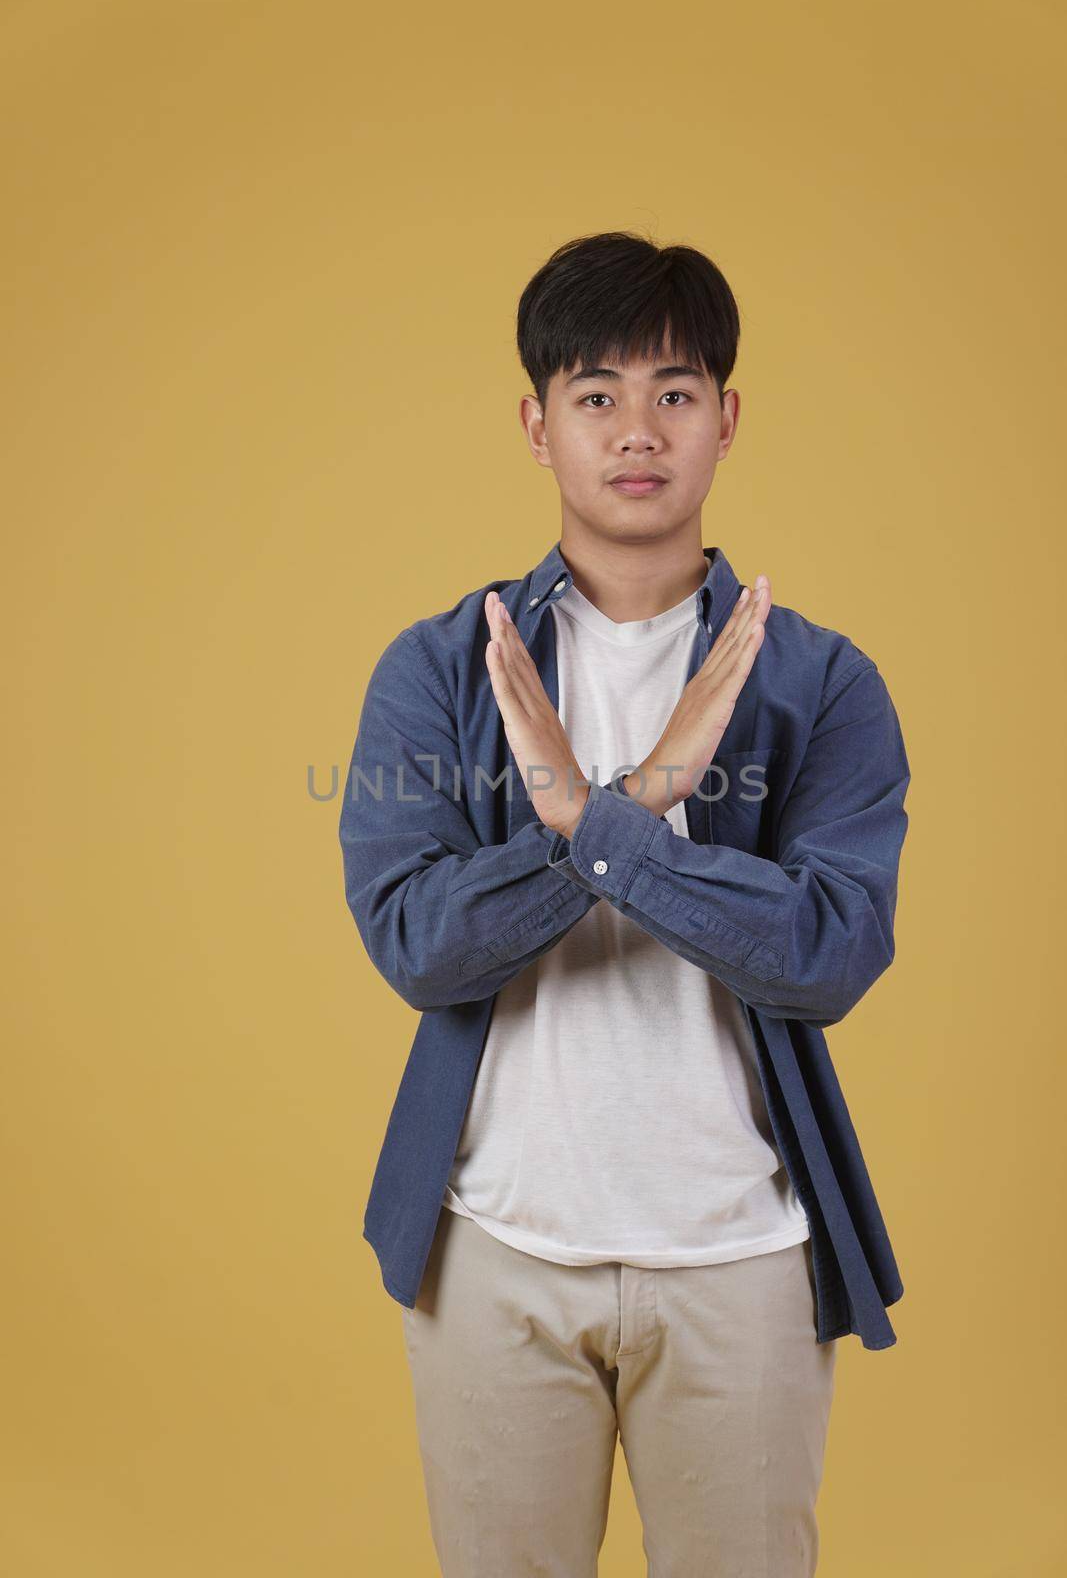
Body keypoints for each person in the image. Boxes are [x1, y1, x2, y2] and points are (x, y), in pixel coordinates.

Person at [337, 230, 911, 1576]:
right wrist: (647, 797)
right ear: (539, 426)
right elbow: (421, 943)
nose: (636, 429)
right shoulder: (442, 669)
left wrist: (600, 827)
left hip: (742, 1257)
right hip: (494, 1251)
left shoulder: (820, 684)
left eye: (675, 392)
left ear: (726, 420)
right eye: (596, 394)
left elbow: (827, 955)